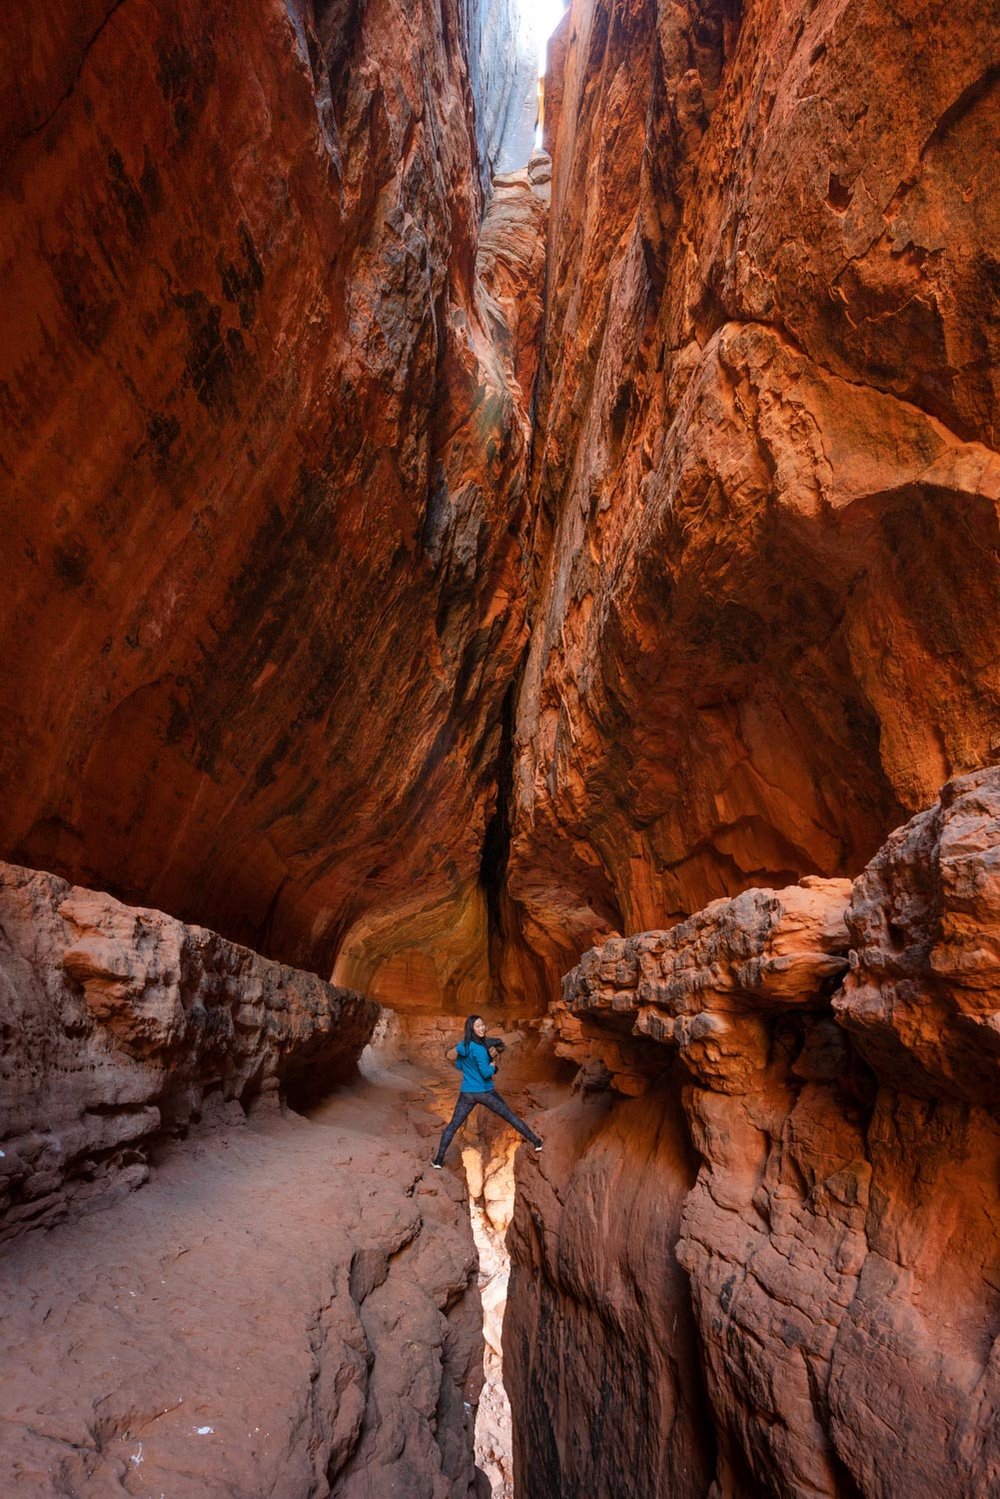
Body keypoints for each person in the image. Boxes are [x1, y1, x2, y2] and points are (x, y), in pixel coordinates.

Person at [431, 1014, 543, 1168]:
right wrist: (492, 1066)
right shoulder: (479, 1050)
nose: (482, 1027)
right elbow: (485, 1073)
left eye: (482, 1024)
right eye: (477, 1026)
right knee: (510, 1116)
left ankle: (438, 1161)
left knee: (453, 1125)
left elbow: (459, 1065)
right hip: (485, 1092)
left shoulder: (463, 1045)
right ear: (471, 1028)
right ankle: (536, 1142)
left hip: (467, 1093)